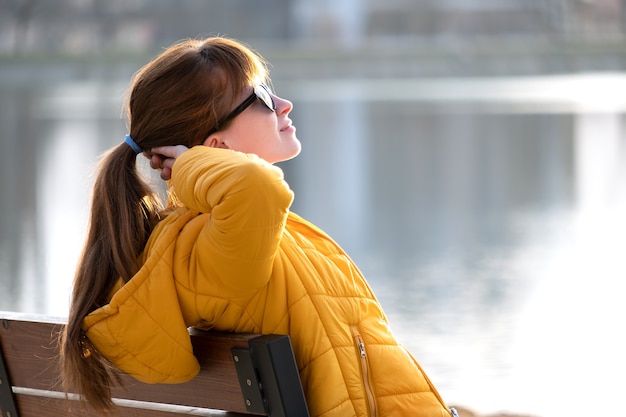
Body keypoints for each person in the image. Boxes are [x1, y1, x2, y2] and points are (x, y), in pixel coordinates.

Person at [61, 36, 456, 417]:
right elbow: (257, 187)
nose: (284, 104)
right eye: (263, 98)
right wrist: (189, 165)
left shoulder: (234, 236)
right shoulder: (204, 248)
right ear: (216, 150)